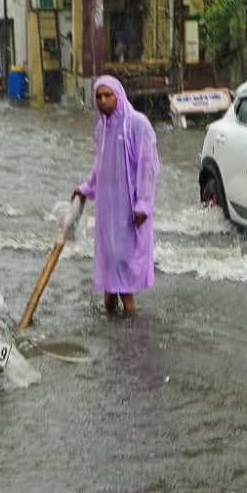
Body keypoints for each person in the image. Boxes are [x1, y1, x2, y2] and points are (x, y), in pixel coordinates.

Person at [73, 75, 159, 316]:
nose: (102, 101)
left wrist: (143, 204)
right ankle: (112, 321)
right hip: (107, 210)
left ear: (118, 96)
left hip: (128, 208)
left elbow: (148, 166)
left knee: (122, 262)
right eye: (98, 96)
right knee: (110, 261)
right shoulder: (102, 128)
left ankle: (130, 322)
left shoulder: (136, 124)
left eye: (107, 96)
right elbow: (100, 164)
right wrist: (86, 188)